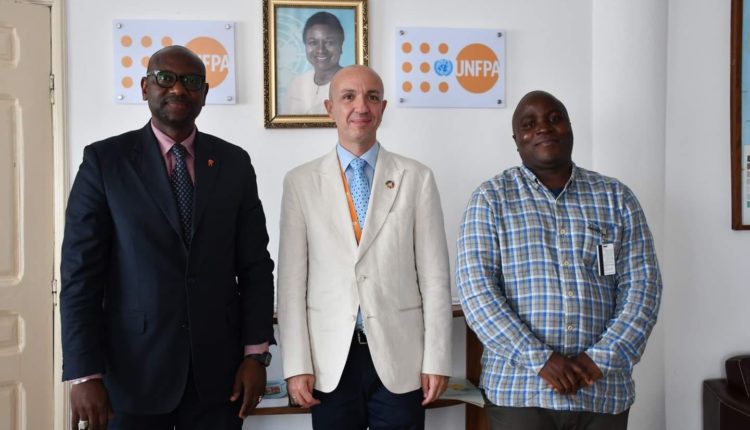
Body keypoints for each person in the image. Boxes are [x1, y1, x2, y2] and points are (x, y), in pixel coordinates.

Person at [60, 45, 276, 430]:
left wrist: (256, 355)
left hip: (220, 376)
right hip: (131, 374)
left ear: (204, 94)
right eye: (165, 78)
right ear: (145, 87)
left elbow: (256, 267)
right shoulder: (105, 162)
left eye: (191, 81)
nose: (178, 88)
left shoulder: (233, 163)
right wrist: (84, 373)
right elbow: (80, 275)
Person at [456, 90, 662, 430]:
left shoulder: (616, 198)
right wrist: (540, 360)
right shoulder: (490, 199)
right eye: (529, 124)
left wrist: (600, 360)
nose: (543, 128)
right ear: (516, 140)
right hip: (520, 392)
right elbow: (476, 292)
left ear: (570, 127)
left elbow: (643, 289)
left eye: (554, 119)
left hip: (602, 391)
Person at [277, 65, 453, 429]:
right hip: (329, 361)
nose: (361, 106)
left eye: (372, 97)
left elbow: (435, 278)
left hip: (401, 357)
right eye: (348, 97)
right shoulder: (300, 182)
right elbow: (291, 285)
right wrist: (296, 366)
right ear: (330, 108)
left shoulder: (416, 178)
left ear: (383, 108)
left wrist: (437, 359)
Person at [281, 11, 345, 115]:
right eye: (313, 42)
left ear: (341, 45)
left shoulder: (351, 85)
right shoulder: (296, 84)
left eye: (329, 42)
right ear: (305, 46)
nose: (321, 50)